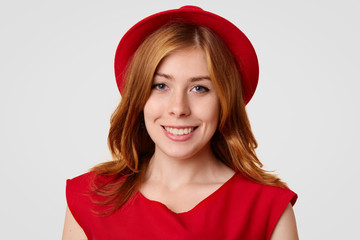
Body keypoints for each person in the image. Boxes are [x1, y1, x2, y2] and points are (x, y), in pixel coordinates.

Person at [62, 6, 298, 240]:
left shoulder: (268, 207)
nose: (178, 108)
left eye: (199, 88)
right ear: (139, 96)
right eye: (161, 86)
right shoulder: (89, 199)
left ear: (224, 101)